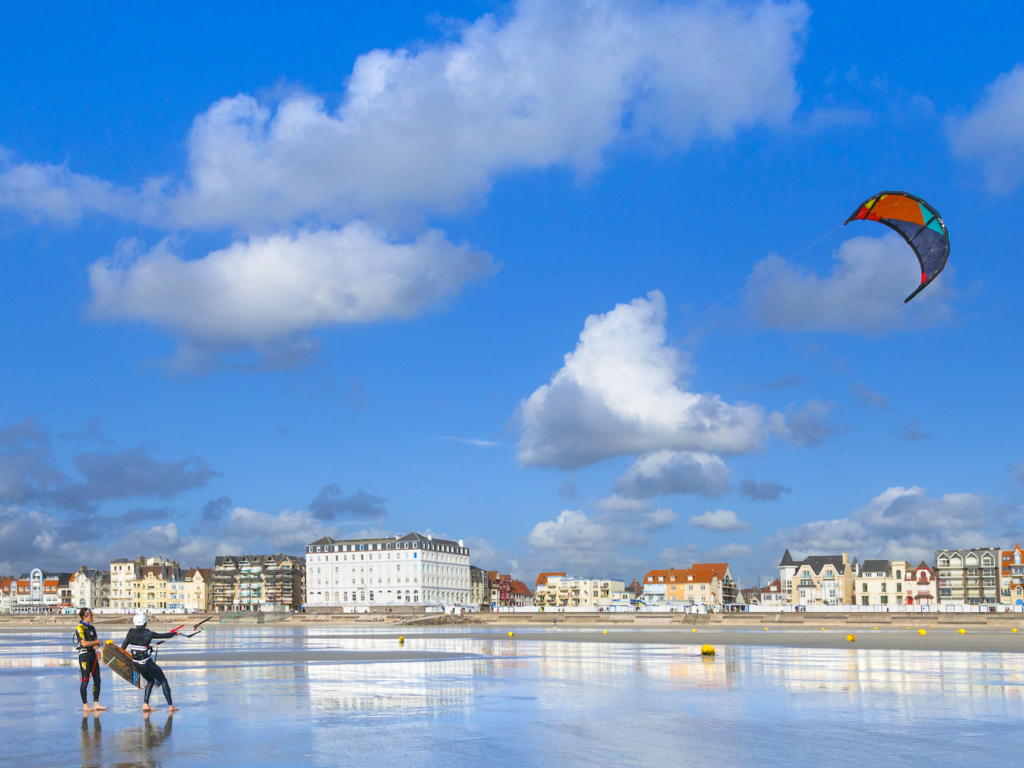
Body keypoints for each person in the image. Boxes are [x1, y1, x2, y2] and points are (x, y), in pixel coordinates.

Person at [121, 613, 179, 712]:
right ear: (145, 622)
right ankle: (170, 706)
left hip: (136, 664)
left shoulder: (130, 633)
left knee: (151, 681)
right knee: (163, 680)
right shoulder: (149, 633)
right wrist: (175, 633)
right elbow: (163, 636)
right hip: (146, 663)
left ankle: (146, 704)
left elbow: (123, 648)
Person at [76, 608, 107, 712]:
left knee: (97, 679)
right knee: (85, 680)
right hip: (84, 656)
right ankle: (85, 705)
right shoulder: (80, 628)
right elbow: (84, 643)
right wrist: (96, 642)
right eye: (91, 616)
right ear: (84, 617)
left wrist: (97, 644)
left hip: (92, 655)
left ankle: (96, 703)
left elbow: (94, 641)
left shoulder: (92, 628)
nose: (92, 617)